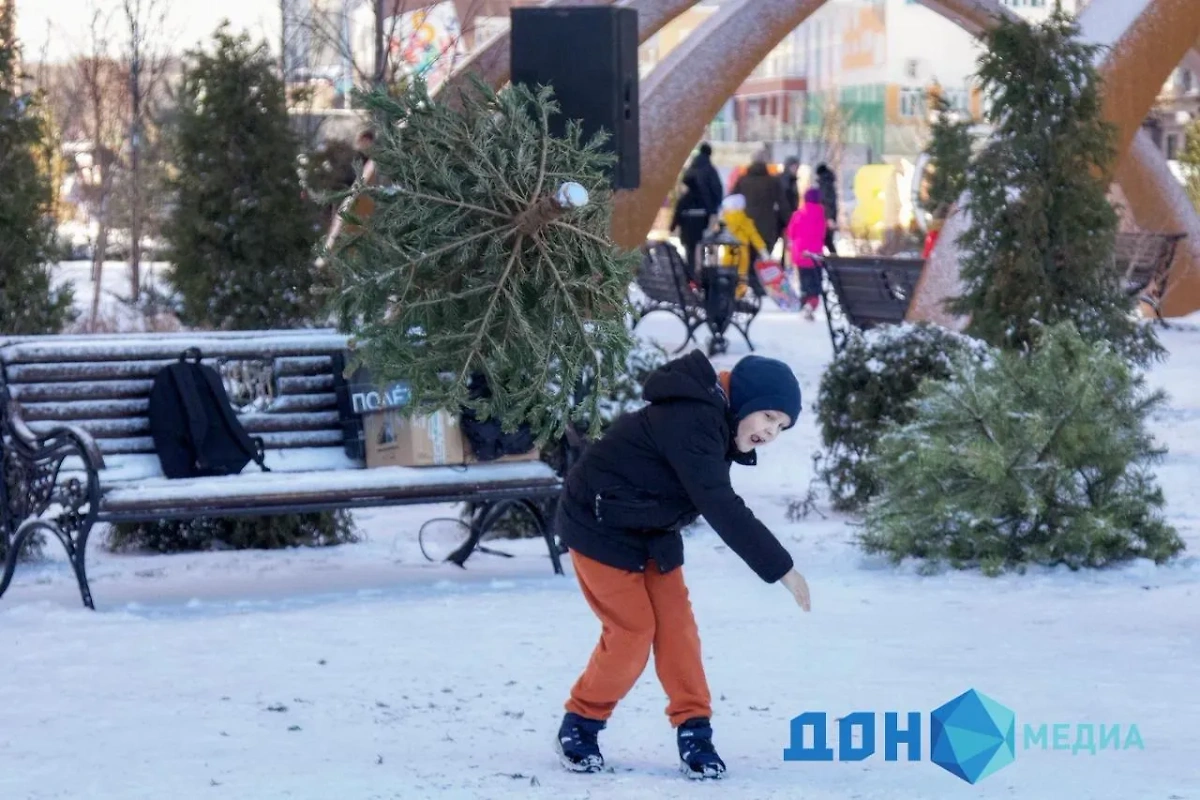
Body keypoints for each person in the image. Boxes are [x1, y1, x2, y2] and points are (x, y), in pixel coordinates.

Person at [554, 350, 812, 780]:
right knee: (633, 632)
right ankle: (580, 722)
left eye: (781, 426)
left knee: (678, 631)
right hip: (599, 526)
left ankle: (695, 731)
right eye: (768, 416)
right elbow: (719, 504)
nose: (770, 431)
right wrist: (782, 568)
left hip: (651, 529)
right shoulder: (694, 419)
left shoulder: (715, 420)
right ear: (743, 401)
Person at [786, 188, 829, 320]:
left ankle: (805, 302)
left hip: (800, 255)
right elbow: (822, 234)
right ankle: (811, 304)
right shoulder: (821, 214)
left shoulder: (798, 214)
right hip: (815, 257)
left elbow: (791, 233)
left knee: (805, 282)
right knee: (815, 284)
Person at [718, 194, 768, 298]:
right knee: (742, 275)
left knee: (726, 273)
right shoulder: (745, 220)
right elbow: (754, 235)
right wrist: (762, 250)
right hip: (742, 252)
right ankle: (739, 294)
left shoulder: (724, 220)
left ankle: (727, 293)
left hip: (729, 251)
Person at [670, 171, 711, 281]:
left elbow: (677, 216)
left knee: (690, 256)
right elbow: (707, 216)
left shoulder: (684, 200)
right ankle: (699, 276)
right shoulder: (703, 199)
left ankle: (691, 277)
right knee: (700, 256)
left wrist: (672, 228)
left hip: (687, 234)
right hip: (700, 233)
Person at [814, 163, 839, 254]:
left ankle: (835, 261)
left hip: (825, 216)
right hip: (829, 215)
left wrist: (828, 218)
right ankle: (834, 260)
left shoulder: (825, 184)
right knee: (827, 240)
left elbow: (826, 202)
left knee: (825, 239)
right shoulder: (829, 182)